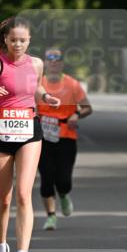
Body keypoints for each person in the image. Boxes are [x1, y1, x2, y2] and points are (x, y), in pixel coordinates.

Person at [0, 16, 59, 252]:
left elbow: (36, 87)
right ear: (5, 39)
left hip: (29, 130)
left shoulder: (37, 64)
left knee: (24, 195)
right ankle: (1, 248)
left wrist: (46, 96)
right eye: (13, 40)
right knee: (4, 198)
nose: (18, 44)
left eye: (23, 40)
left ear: (29, 41)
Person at [38, 46, 93, 230]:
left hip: (66, 137)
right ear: (44, 63)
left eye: (57, 59)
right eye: (50, 58)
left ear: (61, 63)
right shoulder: (37, 85)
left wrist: (77, 114)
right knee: (46, 177)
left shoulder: (72, 84)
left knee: (63, 180)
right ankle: (51, 216)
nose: (53, 62)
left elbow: (87, 107)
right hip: (42, 138)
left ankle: (63, 195)